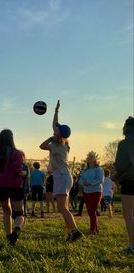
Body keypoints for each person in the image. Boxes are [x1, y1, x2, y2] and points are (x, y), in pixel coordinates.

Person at [40, 100, 82, 242]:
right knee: (63, 207)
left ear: (59, 134)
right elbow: (55, 125)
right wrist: (56, 111)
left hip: (62, 176)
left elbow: (42, 146)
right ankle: (70, 233)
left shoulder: (56, 146)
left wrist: (51, 137)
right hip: (64, 176)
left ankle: (75, 231)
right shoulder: (62, 144)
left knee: (61, 207)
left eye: (56, 130)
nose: (54, 129)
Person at [0, 129, 25, 246]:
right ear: (12, 139)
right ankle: (16, 231)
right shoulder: (18, 153)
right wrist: (24, 174)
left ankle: (8, 236)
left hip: (0, 187)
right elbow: (18, 171)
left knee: (6, 211)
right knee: (19, 213)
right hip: (15, 186)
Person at [113, 116, 134, 254]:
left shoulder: (124, 143)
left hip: (130, 181)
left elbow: (121, 165)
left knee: (128, 215)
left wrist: (114, 178)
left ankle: (133, 246)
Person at [79, 151, 104, 235]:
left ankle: (92, 230)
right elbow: (80, 180)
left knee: (92, 211)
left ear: (95, 159)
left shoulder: (99, 169)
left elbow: (100, 180)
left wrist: (90, 182)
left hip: (96, 191)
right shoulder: (85, 170)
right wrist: (83, 183)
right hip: (86, 192)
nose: (89, 158)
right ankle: (95, 229)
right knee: (90, 211)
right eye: (88, 157)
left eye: (91, 157)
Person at [21, 152, 30, 216]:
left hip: (24, 186)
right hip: (15, 185)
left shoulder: (26, 166)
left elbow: (27, 177)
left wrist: (27, 187)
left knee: (24, 199)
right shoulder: (15, 165)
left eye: (22, 156)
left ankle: (24, 211)